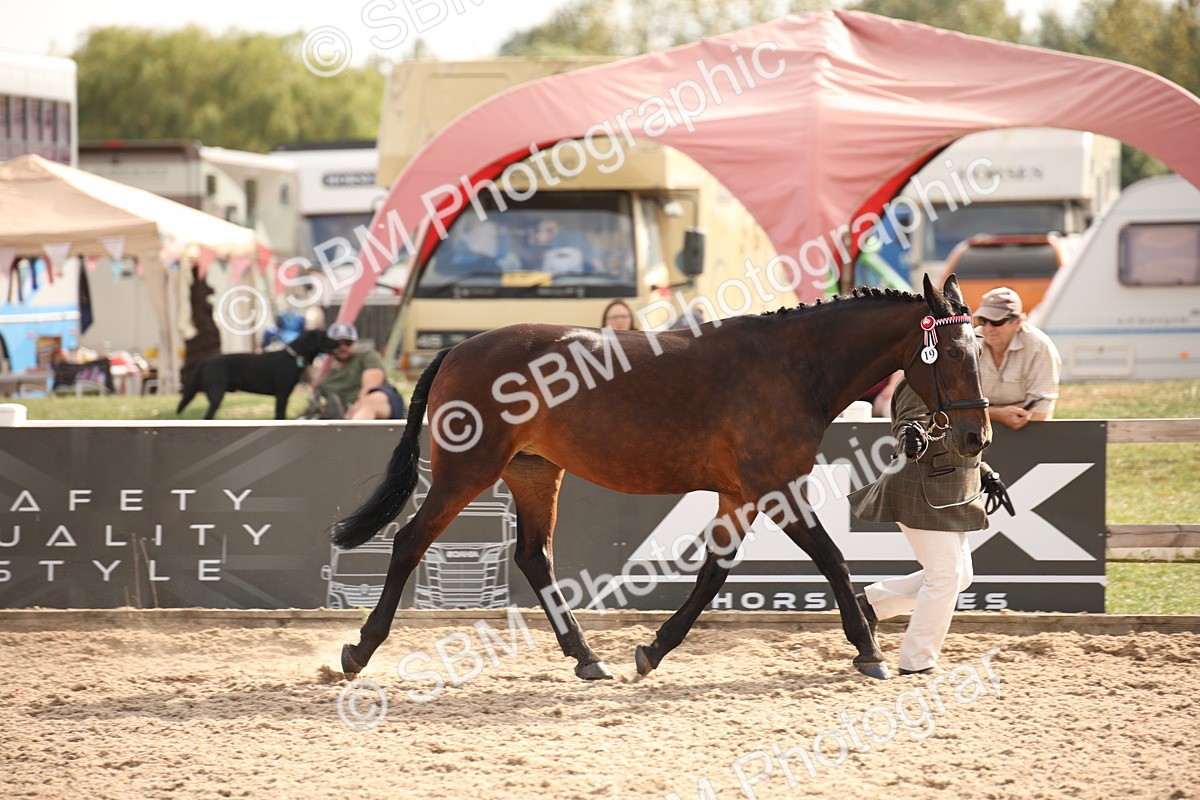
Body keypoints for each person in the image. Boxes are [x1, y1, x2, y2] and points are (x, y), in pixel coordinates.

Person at [848, 379, 1012, 675]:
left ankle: (870, 604)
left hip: (952, 491)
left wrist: (984, 471)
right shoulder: (919, 382)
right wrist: (912, 441)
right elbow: (909, 428)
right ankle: (917, 661)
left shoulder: (961, 380)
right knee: (946, 575)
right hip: (921, 490)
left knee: (960, 577)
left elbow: (964, 433)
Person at [974, 287, 1061, 430]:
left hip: (1029, 438)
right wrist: (998, 413)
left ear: (1018, 322)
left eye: (997, 321)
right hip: (974, 438)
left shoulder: (1039, 347)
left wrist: (981, 410)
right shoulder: (970, 343)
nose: (988, 328)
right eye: (983, 321)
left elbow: (1039, 410)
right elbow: (953, 405)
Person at [319, 323, 407, 420]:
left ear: (354, 342)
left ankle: (354, 429)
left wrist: (358, 405)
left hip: (379, 405)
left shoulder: (365, 356)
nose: (343, 347)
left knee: (372, 400)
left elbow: (372, 384)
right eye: (337, 343)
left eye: (347, 343)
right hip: (343, 415)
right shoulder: (326, 373)